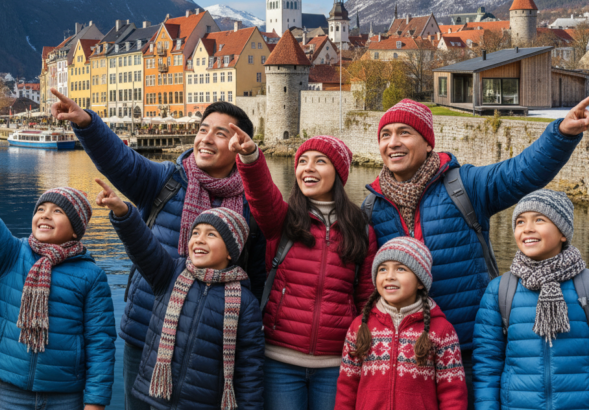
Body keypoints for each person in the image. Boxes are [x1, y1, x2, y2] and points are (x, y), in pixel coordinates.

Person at [48, 88, 266, 410]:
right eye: (202, 129)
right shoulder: (167, 180)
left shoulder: (251, 203)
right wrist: (86, 123)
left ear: (239, 145)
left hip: (210, 341)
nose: (206, 139)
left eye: (220, 134)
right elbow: (121, 161)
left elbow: (255, 274)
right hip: (146, 327)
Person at [365, 97, 589, 406]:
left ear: (428, 143)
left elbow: (521, 172)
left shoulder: (464, 185)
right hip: (406, 353)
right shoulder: (372, 207)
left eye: (404, 132)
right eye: (385, 135)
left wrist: (561, 135)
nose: (393, 143)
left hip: (468, 348)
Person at [0, 158, 116, 410]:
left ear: (76, 229)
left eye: (58, 211)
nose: (45, 215)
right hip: (12, 389)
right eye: (41, 209)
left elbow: (100, 342)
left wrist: (95, 401)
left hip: (63, 393)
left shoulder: (91, 275)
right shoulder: (12, 254)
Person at [229, 128, 377, 410]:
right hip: (280, 361)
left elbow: (367, 297)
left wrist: (363, 346)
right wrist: (250, 156)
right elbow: (261, 194)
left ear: (339, 173)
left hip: (336, 363)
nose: (308, 168)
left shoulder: (361, 229)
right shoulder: (283, 220)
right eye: (303, 161)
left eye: (320, 161)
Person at [96, 178, 263, 410]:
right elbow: (143, 245)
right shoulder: (170, 273)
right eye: (195, 233)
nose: (199, 240)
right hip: (158, 397)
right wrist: (123, 211)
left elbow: (249, 368)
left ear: (231, 252)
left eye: (211, 235)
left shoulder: (245, 302)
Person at [473, 190, 589, 410]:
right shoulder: (501, 289)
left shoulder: (585, 285)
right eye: (520, 222)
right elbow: (487, 363)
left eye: (539, 219)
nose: (527, 228)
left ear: (563, 232)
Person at [336, 237, 467, 410]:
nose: (389, 276)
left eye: (400, 269)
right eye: (382, 269)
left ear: (420, 281)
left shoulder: (442, 331)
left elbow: (452, 393)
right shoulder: (359, 327)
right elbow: (347, 386)